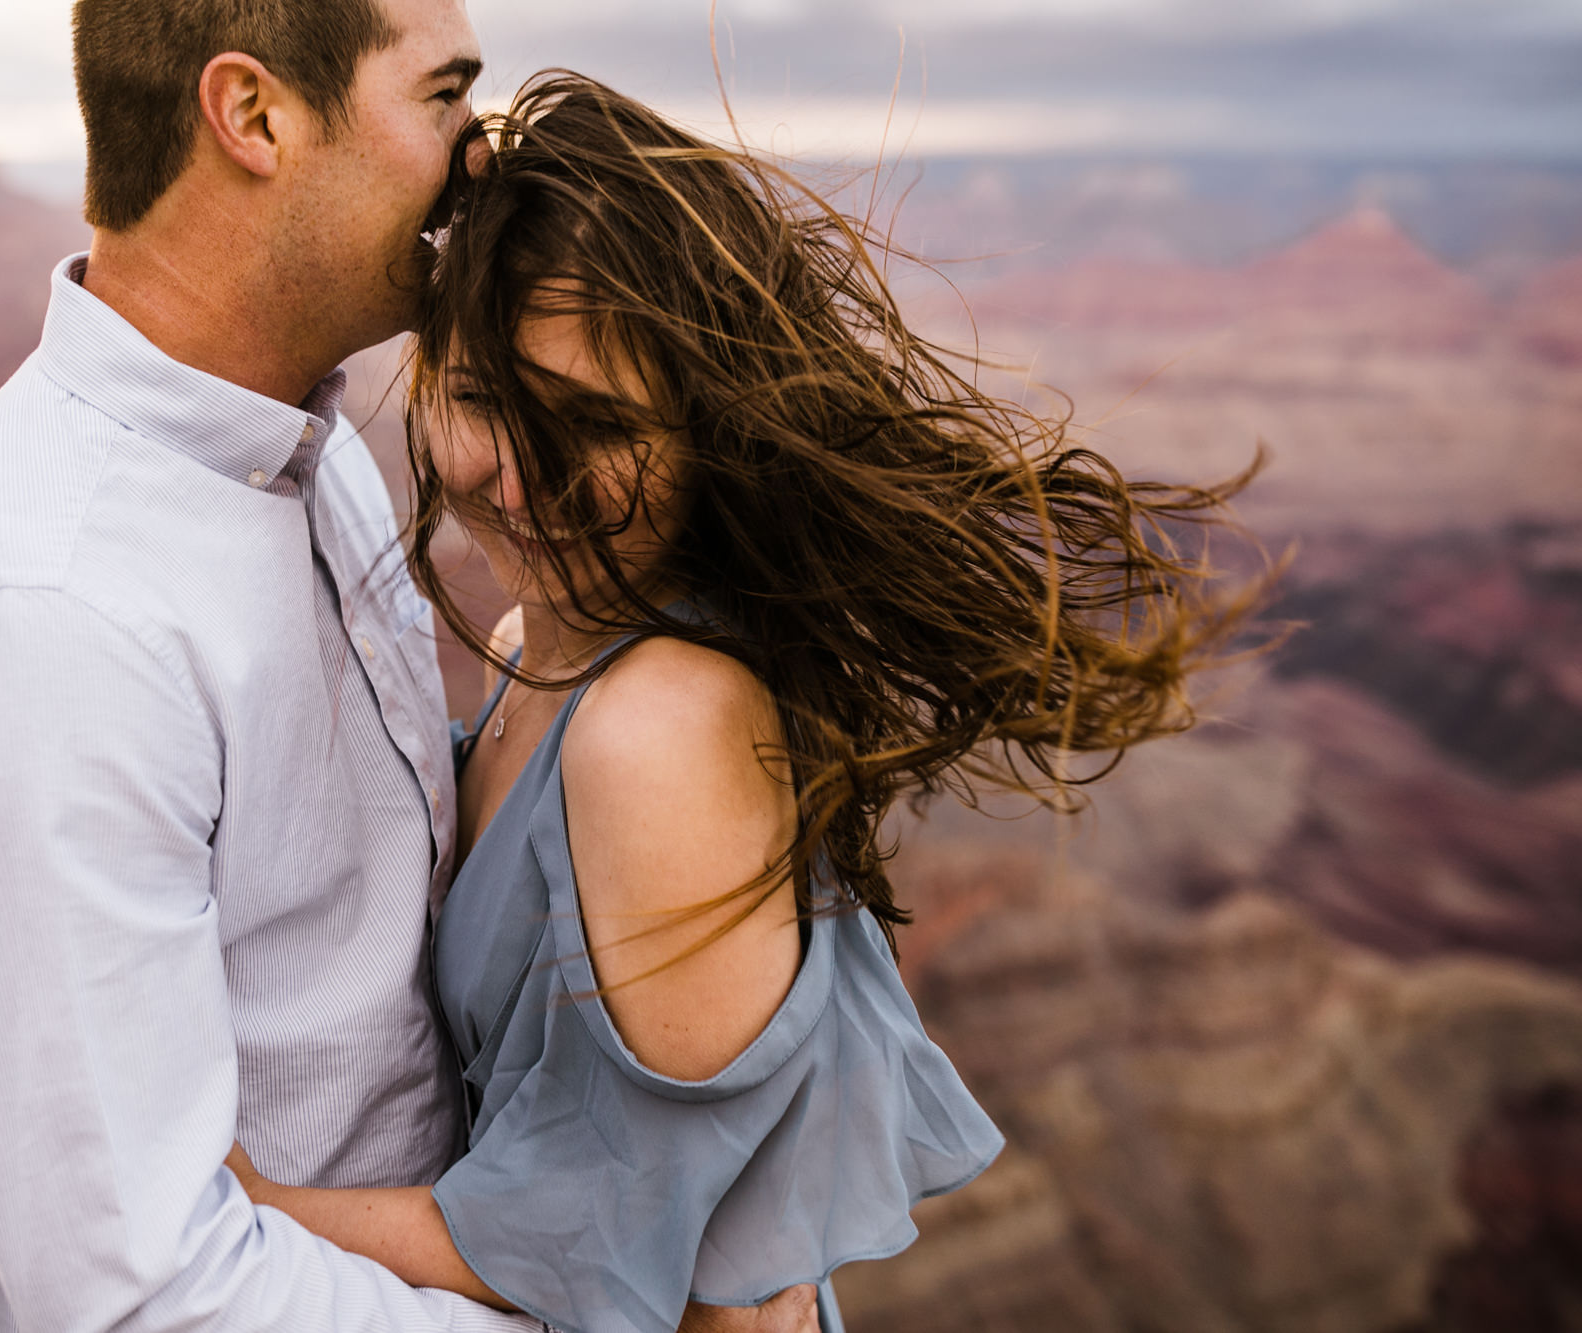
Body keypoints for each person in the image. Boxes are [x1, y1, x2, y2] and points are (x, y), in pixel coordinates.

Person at [0, 1, 814, 1328]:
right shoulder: (35, 616)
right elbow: (155, 1301)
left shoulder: (311, 464)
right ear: (255, 115)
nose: (478, 155)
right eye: (442, 95)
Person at [222, 74, 1260, 1333]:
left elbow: (589, 1245)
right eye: (486, 402)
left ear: (704, 433)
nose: (518, 481)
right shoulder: (526, 643)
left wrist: (232, 1201)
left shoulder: (657, 725)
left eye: (593, 426)